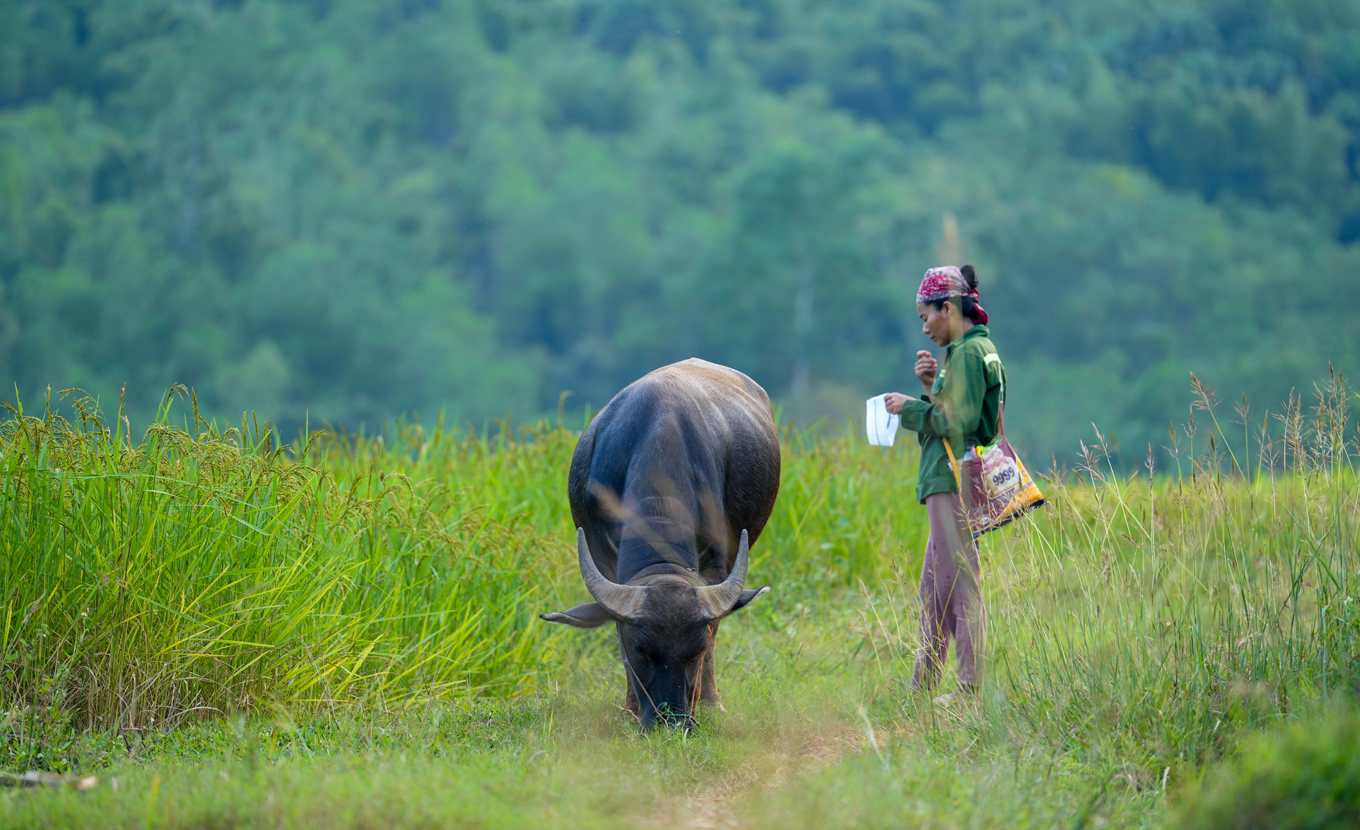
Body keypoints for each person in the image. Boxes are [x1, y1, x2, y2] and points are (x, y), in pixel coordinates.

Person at [884, 264, 1004, 704]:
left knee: (958, 582)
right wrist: (933, 385)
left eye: (926, 316)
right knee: (934, 585)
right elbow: (957, 412)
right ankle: (923, 688)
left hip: (952, 480)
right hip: (945, 477)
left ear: (948, 308)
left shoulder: (971, 354)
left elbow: (960, 422)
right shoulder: (970, 352)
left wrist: (909, 409)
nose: (925, 327)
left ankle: (969, 688)